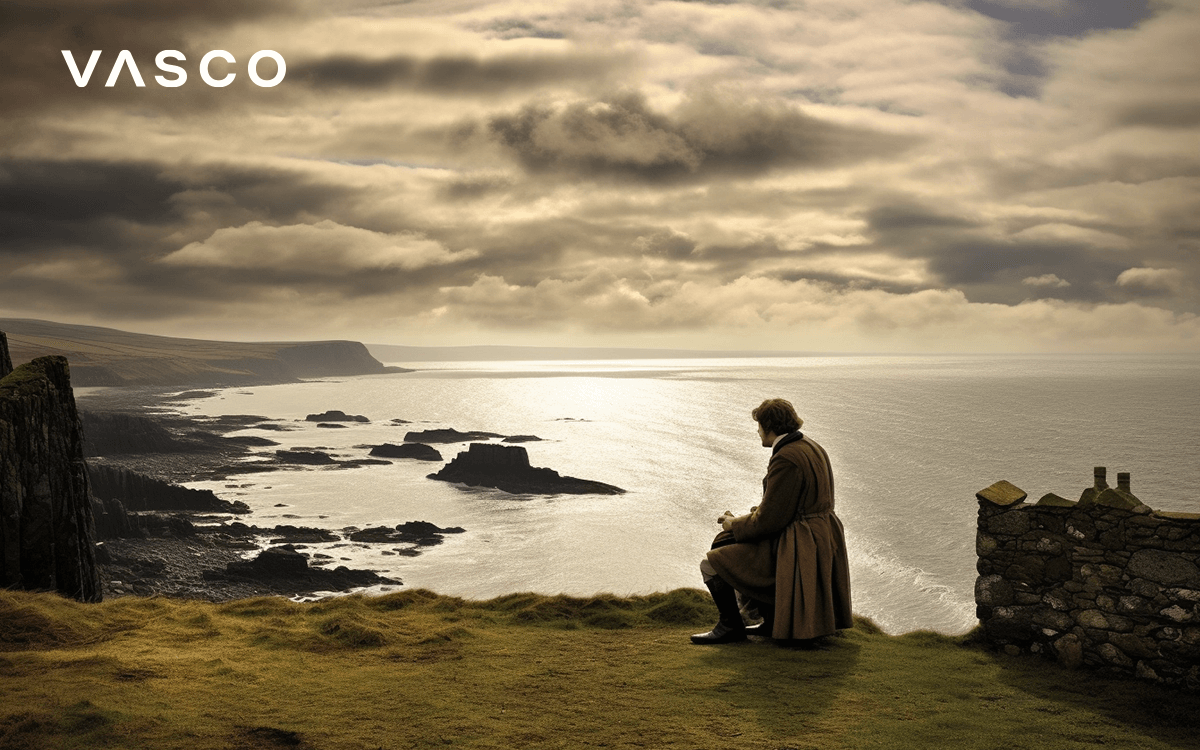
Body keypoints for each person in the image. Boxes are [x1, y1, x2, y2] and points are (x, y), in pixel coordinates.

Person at [691, 398, 853, 644]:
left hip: (797, 543)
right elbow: (791, 504)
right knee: (727, 542)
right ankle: (772, 621)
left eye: (759, 426)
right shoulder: (811, 446)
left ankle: (731, 626)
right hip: (819, 535)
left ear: (769, 426)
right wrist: (744, 520)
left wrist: (732, 523)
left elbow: (769, 521)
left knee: (712, 561)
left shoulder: (786, 457)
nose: (757, 432)